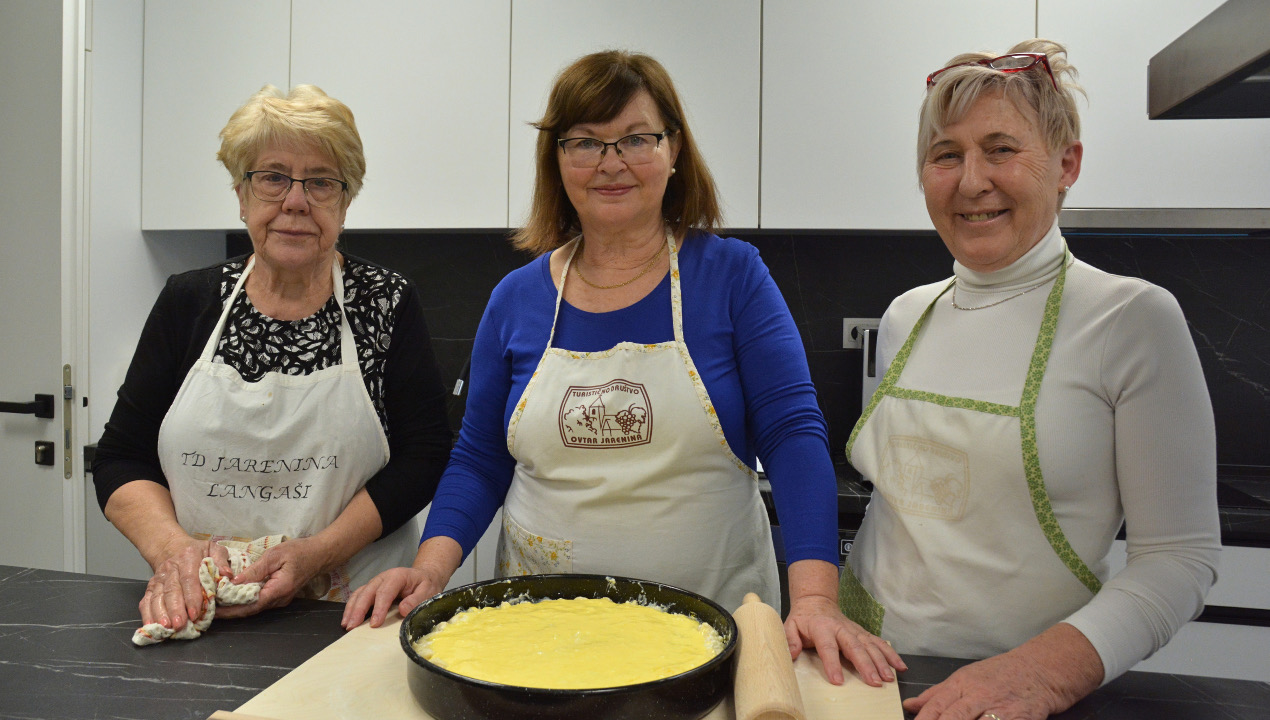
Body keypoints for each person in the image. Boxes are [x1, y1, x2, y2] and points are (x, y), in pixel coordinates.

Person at [343, 50, 905, 687]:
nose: (610, 163)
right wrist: (431, 568)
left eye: (636, 138)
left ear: (673, 151)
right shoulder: (517, 298)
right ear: (557, 160)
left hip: (709, 634)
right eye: (585, 142)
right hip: (536, 633)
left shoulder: (731, 277)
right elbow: (479, 458)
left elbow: (792, 434)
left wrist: (813, 602)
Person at [840, 39, 1221, 719]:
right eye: (945, 155)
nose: (970, 181)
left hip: (1015, 696)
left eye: (1001, 149)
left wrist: (1042, 675)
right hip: (866, 675)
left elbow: (1179, 558)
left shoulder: (1130, 320)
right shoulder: (906, 316)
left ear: (1066, 163)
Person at [92, 85, 452, 635]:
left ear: (345, 201)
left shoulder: (385, 301)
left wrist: (318, 551)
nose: (295, 201)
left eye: (321, 182)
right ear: (241, 194)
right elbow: (121, 458)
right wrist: (175, 553)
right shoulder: (188, 300)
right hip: (203, 606)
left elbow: (423, 458)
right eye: (272, 177)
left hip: (351, 613)